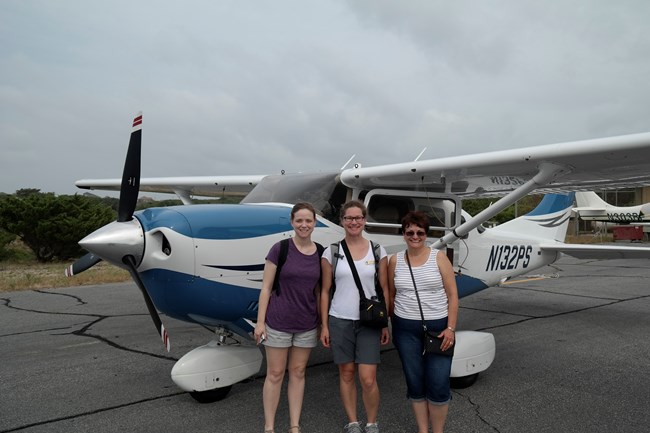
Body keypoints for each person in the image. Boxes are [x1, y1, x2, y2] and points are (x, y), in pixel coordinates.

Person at [320, 200, 390, 433]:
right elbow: (325, 291)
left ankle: (371, 422)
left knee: (368, 377)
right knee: (347, 373)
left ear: (364, 219)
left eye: (358, 217)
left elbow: (385, 289)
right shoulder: (331, 252)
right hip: (340, 318)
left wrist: (385, 323)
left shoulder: (378, 250)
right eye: (349, 218)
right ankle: (352, 422)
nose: (354, 222)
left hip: (369, 320)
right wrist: (325, 326)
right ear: (342, 221)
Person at [387, 211, 459, 433]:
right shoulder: (394, 260)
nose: (415, 236)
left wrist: (450, 328)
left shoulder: (439, 258)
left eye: (420, 232)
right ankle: (422, 430)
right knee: (415, 381)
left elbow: (452, 296)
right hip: (405, 329)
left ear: (426, 234)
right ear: (403, 234)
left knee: (438, 382)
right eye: (410, 232)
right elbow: (391, 294)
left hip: (438, 328)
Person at [254, 202, 323, 433]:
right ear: (292, 222)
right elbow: (266, 288)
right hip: (278, 322)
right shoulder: (279, 249)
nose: (304, 225)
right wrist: (260, 322)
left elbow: (319, 291)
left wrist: (323, 324)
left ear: (314, 223)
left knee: (298, 372)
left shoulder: (321, 253)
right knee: (274, 374)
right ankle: (269, 426)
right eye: (299, 220)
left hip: (306, 323)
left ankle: (294, 425)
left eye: (309, 221)